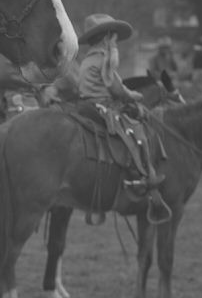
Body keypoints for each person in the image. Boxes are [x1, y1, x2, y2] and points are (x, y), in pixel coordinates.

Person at [55, 13, 171, 225]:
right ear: (107, 37)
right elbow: (116, 88)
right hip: (101, 106)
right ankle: (145, 178)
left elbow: (115, 83)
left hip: (87, 104)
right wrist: (134, 96)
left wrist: (126, 92)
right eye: (115, 37)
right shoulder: (105, 58)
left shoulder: (90, 57)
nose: (116, 41)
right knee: (138, 132)